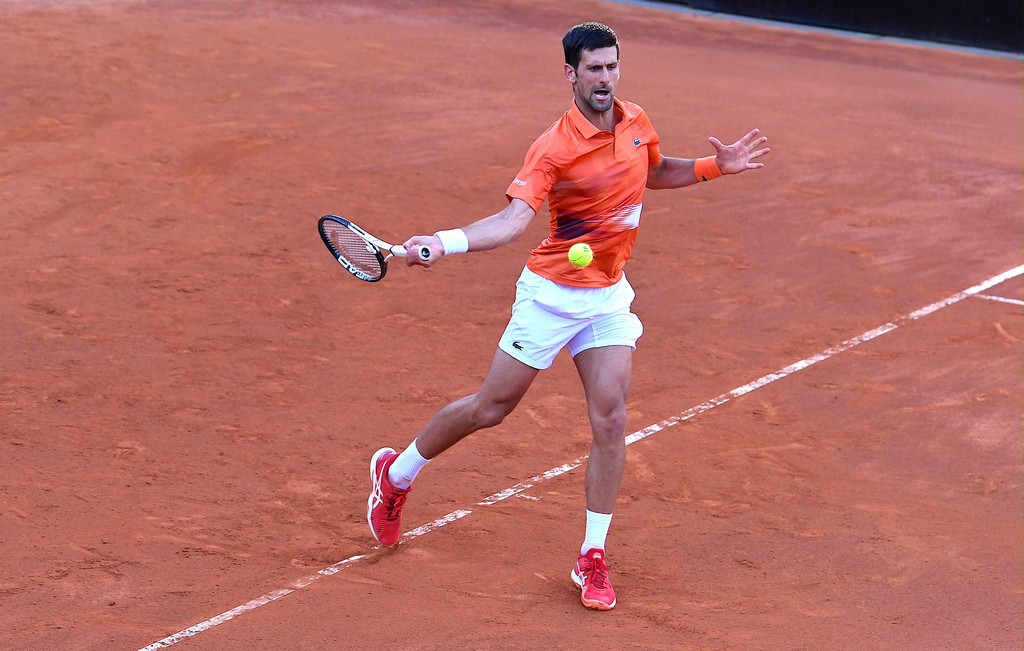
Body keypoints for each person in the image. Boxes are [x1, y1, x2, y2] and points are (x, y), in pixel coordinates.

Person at [366, 21, 769, 611]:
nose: (605, 78)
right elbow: (509, 222)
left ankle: (592, 556)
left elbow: (653, 172)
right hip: (551, 295)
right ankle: (396, 475)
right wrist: (443, 242)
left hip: (607, 294)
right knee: (491, 408)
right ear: (571, 75)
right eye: (594, 69)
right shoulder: (552, 146)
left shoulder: (636, 121)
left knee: (610, 420)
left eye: (612, 66)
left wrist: (714, 167)